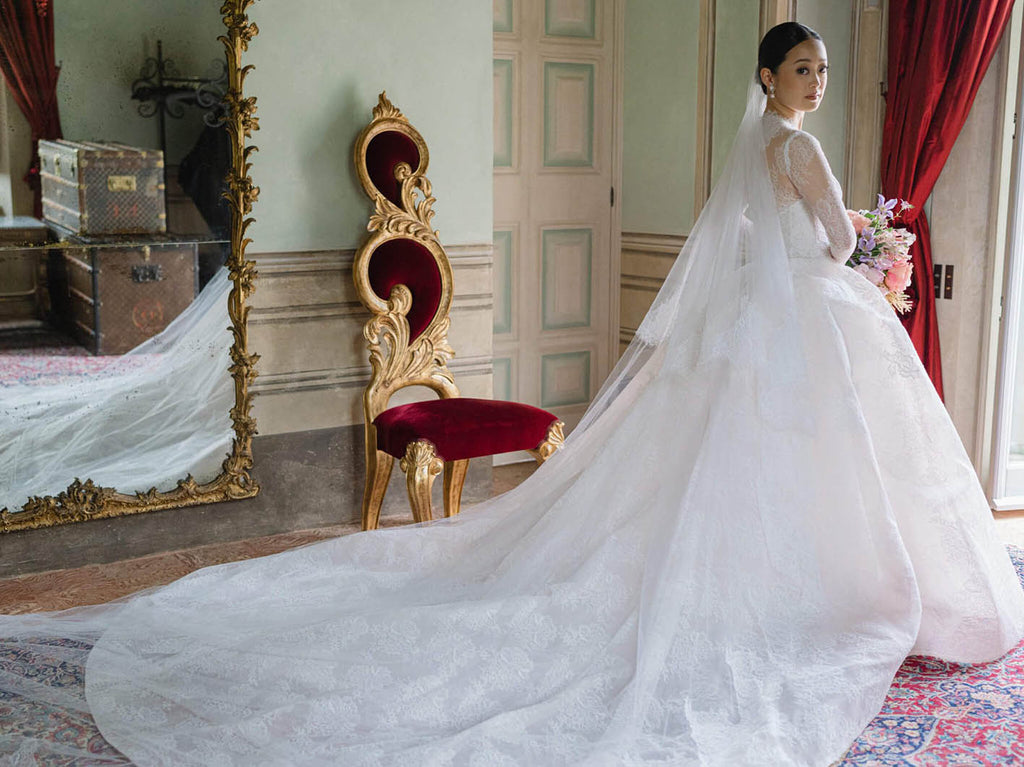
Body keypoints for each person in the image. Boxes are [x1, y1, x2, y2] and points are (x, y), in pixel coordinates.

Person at [2, 22, 1023, 766]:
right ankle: (843, 590)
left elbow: (749, 236)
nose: (815, 79)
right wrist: (870, 244)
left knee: (766, 456)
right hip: (808, 313)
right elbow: (839, 243)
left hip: (773, 315)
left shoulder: (755, 145)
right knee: (820, 457)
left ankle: (803, 583)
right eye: (803, 66)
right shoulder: (796, 145)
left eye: (821, 68)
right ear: (770, 75)